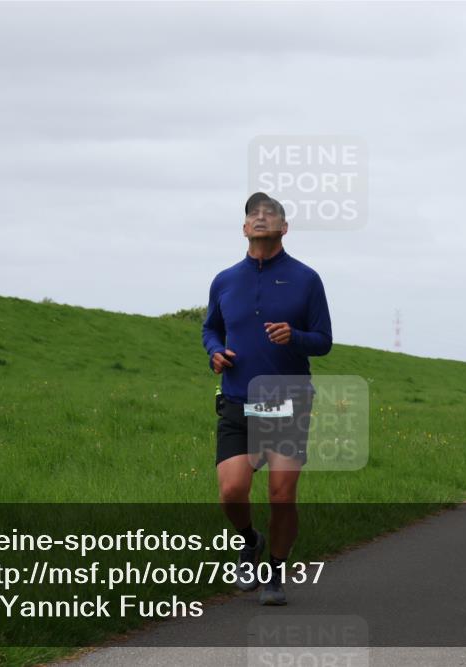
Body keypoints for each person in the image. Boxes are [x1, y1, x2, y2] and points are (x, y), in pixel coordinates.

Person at [202, 192, 332, 606]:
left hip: (288, 401)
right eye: (253, 214)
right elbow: (210, 328)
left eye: (270, 213)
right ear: (244, 228)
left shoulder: (306, 279)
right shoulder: (224, 280)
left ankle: (274, 573)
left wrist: (294, 336)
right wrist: (214, 351)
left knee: (281, 494)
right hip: (237, 401)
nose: (261, 217)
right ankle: (249, 541)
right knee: (231, 490)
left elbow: (324, 341)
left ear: (284, 227)